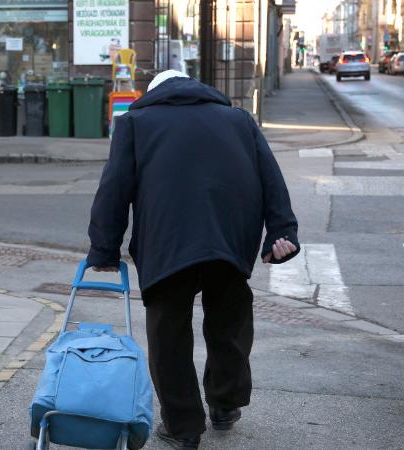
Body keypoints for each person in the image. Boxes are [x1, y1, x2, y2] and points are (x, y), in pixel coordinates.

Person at [86, 70, 300, 449]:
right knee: (229, 325)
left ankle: (183, 427)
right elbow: (272, 177)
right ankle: (225, 404)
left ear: (154, 94)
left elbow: (114, 188)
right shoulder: (238, 120)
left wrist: (104, 250)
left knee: (168, 334)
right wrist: (282, 232)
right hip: (229, 239)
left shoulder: (135, 122)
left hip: (168, 242)